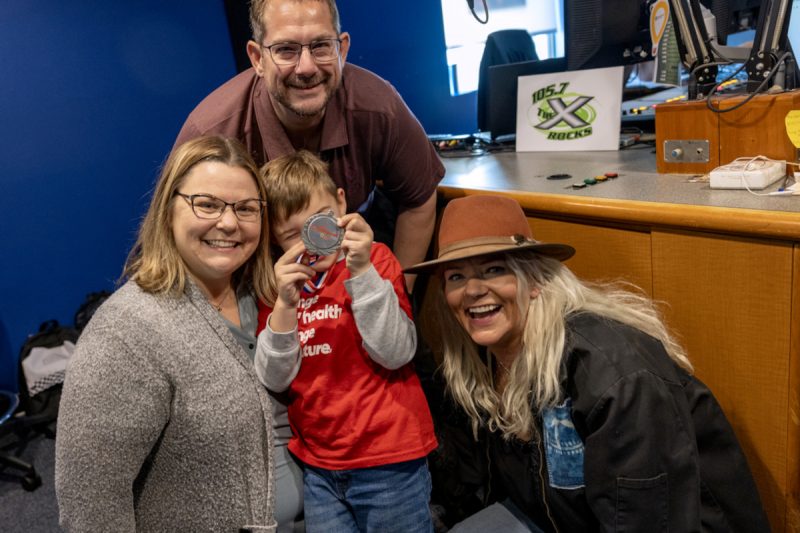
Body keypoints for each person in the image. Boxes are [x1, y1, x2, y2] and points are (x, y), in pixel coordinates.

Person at [405, 195, 770, 532]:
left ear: (534, 280)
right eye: (456, 276)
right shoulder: (485, 356)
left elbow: (649, 518)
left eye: (493, 270)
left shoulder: (615, 374)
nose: (472, 290)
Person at [55, 136, 278, 532]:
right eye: (206, 204)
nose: (228, 222)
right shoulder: (126, 333)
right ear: (167, 211)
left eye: (246, 209)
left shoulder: (264, 298)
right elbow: (91, 507)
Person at [175, 0, 444, 292]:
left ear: (341, 49)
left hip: (353, 274)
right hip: (253, 284)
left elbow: (418, 199)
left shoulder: (379, 107)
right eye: (286, 50)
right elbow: (177, 239)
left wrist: (396, 297)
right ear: (257, 59)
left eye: (320, 46)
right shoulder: (212, 131)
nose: (306, 67)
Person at [254, 150, 438, 532]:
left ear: (341, 202)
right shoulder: (278, 288)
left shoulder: (378, 261)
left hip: (390, 458)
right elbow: (274, 378)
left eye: (320, 223)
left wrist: (362, 272)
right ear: (273, 238)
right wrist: (285, 306)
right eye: (293, 235)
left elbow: (396, 352)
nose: (312, 242)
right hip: (320, 467)